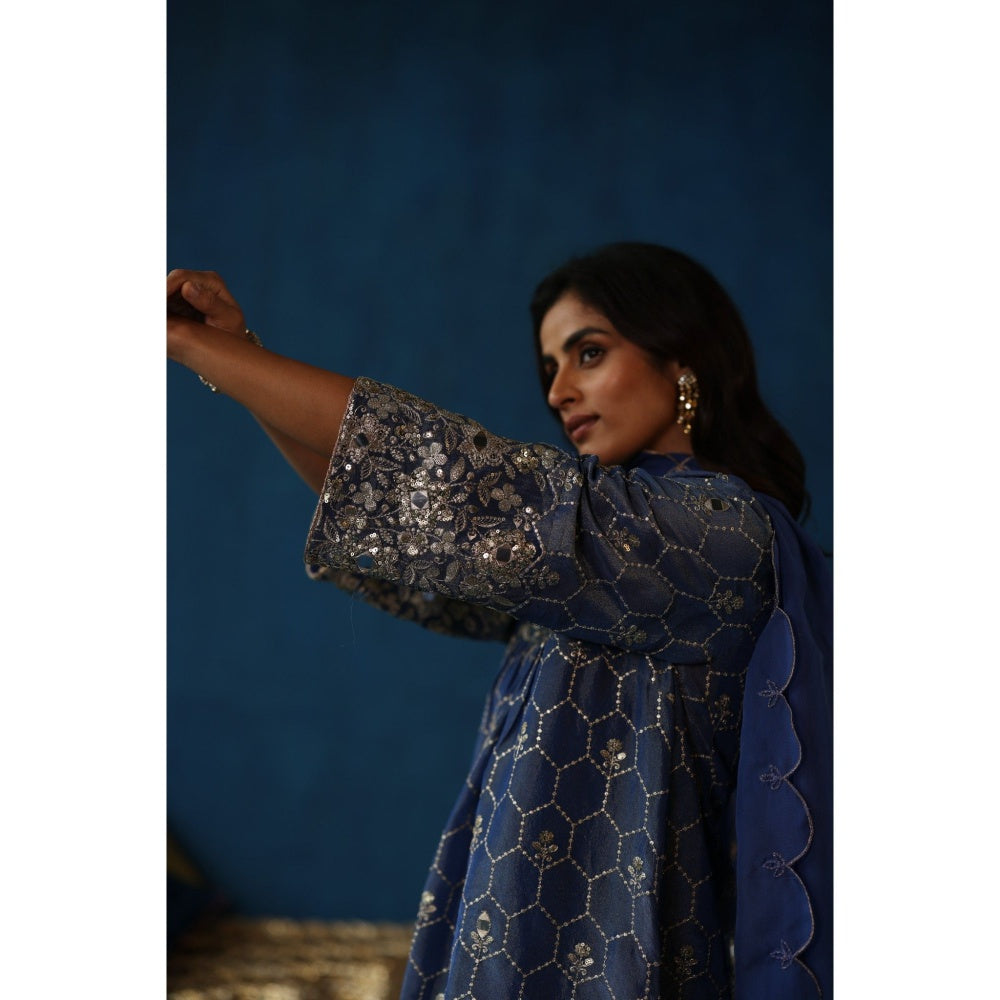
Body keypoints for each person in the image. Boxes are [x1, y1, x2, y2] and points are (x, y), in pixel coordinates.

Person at [167, 243, 832, 1000]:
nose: (559, 390)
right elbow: (387, 502)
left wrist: (200, 346)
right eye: (550, 366)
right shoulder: (585, 557)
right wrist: (232, 355)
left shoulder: (720, 532)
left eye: (588, 353)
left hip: (616, 961)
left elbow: (448, 477)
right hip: (507, 929)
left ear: (683, 361)